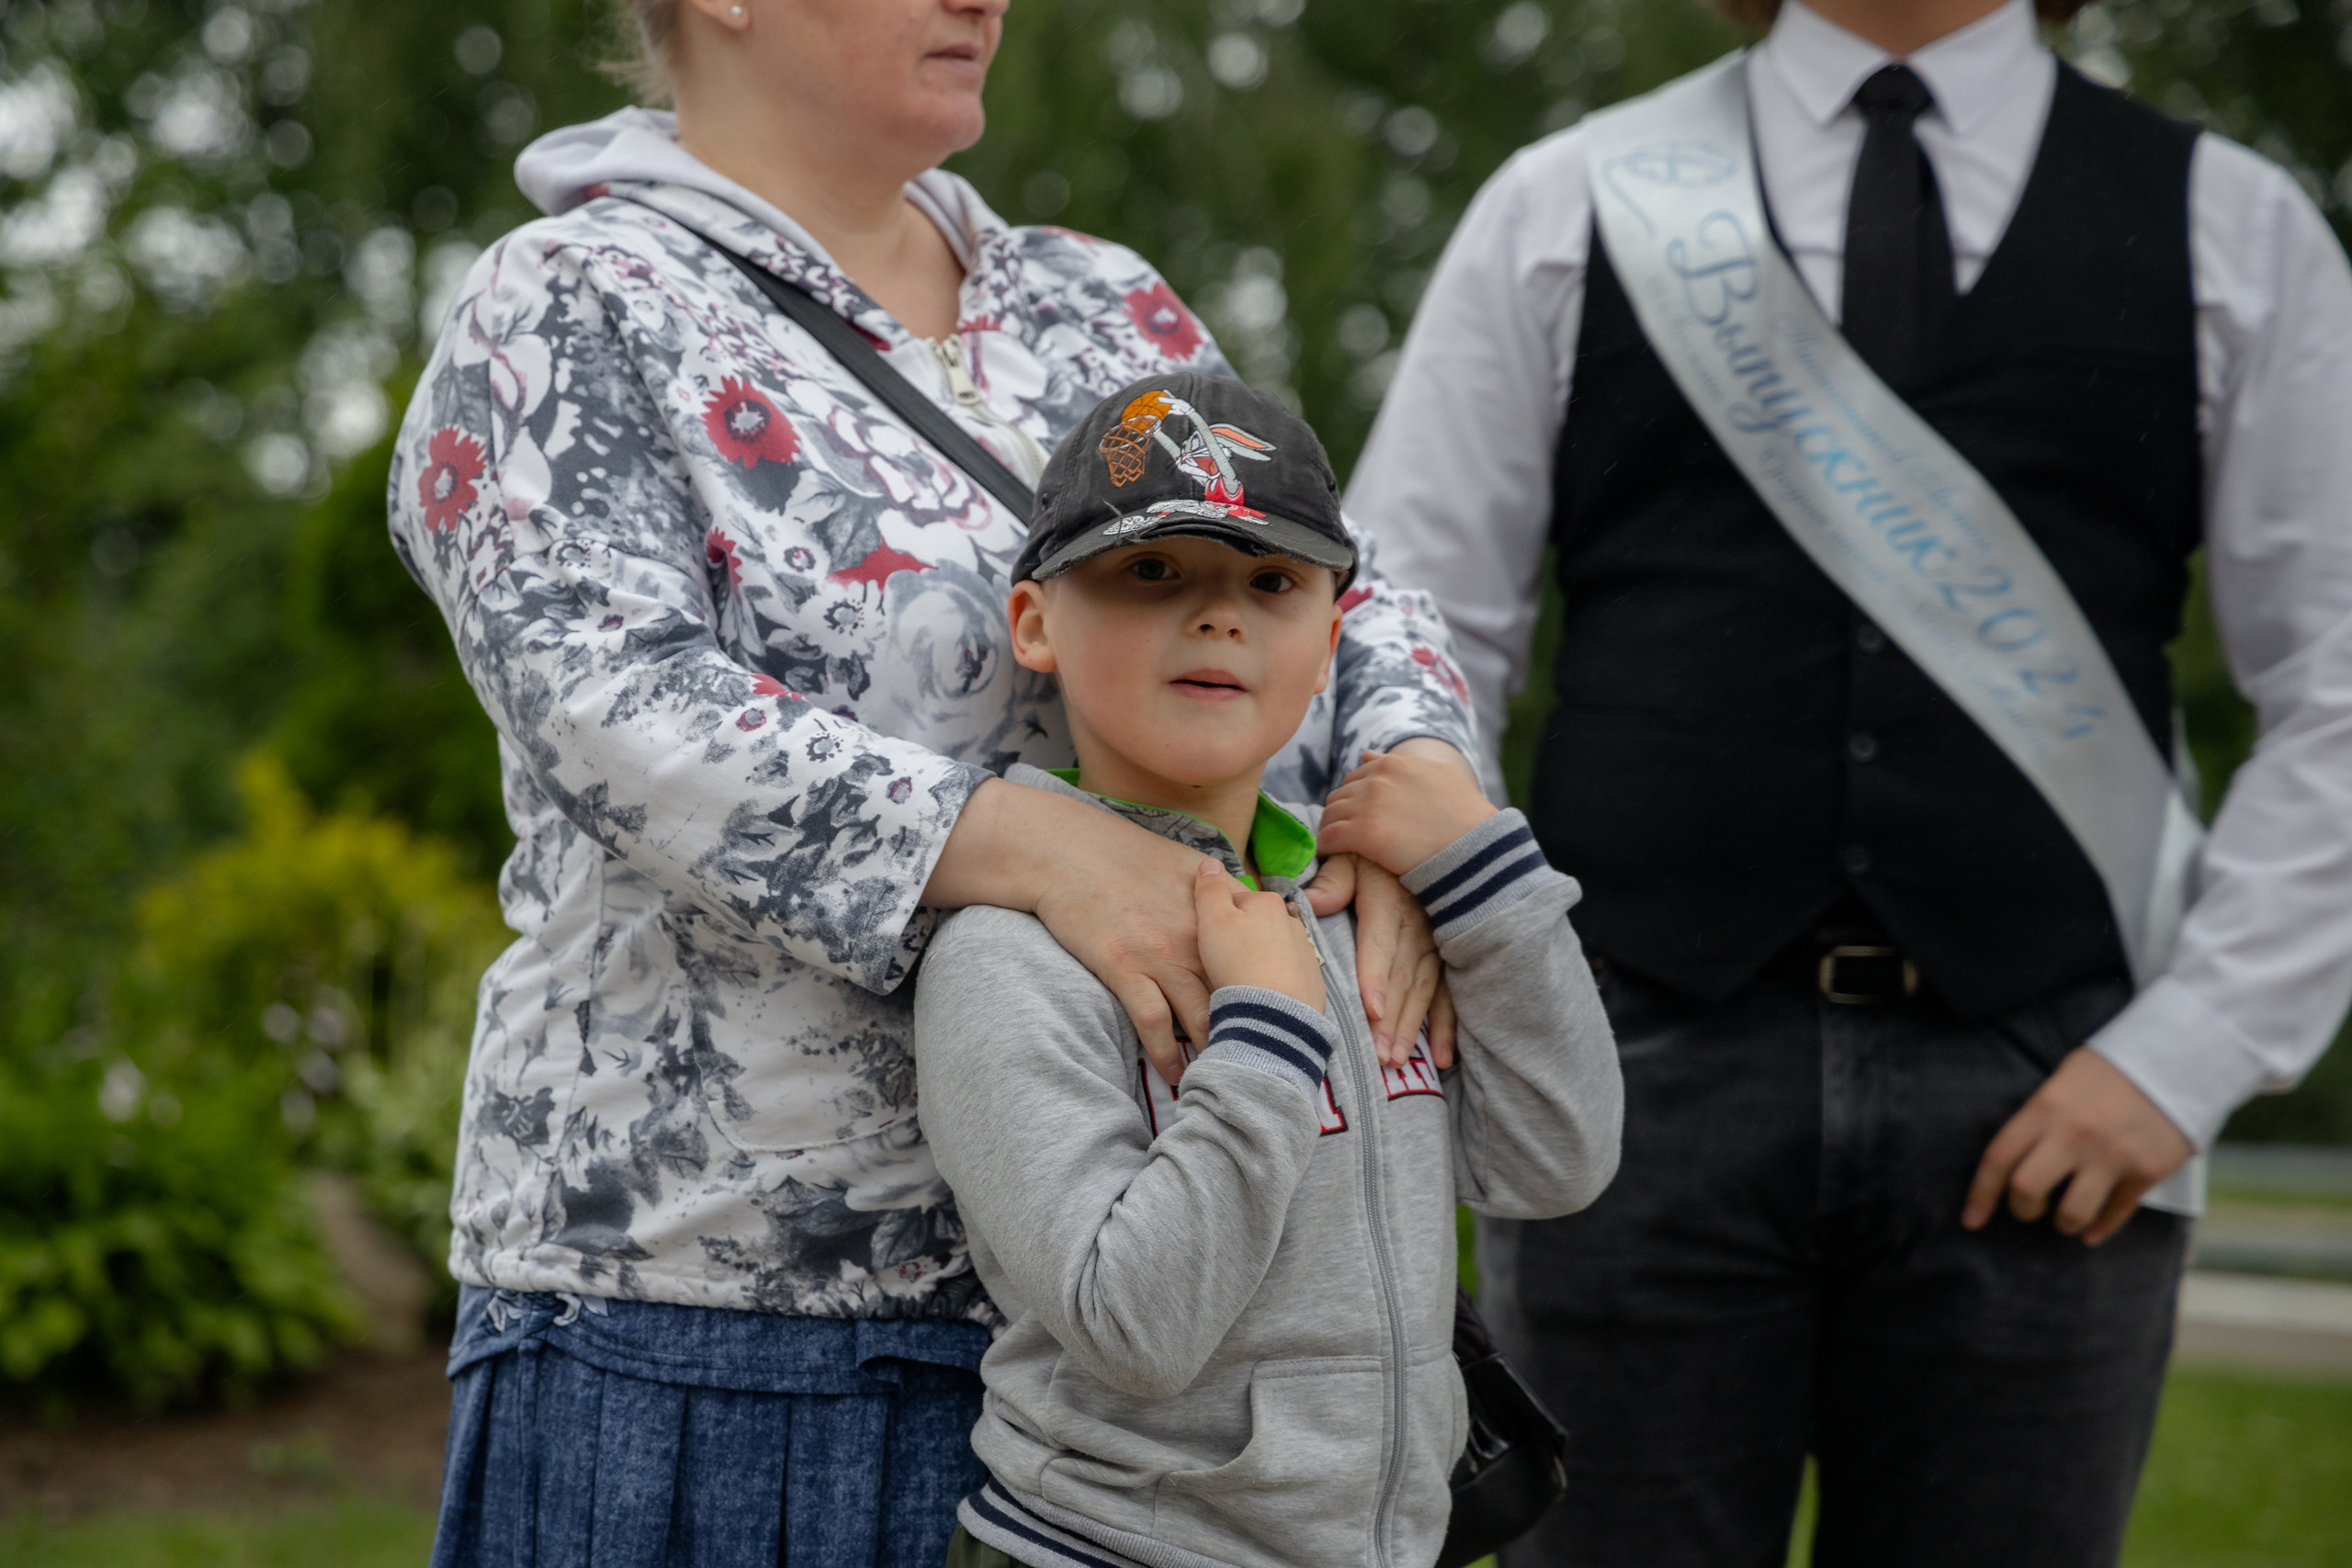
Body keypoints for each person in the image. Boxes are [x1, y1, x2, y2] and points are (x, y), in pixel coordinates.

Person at [390, 0, 1483, 1562]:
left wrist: (1406, 802)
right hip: (734, 1326)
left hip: (1159, 1344)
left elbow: (1351, 600)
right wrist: (1026, 842)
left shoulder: (1106, 307)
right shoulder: (566, 305)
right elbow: (611, 699)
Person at [1347, 0, 2352, 1562]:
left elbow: (2340, 678)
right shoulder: (1569, 202)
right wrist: (1472, 956)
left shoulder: (2242, 224)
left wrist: (2197, 1051)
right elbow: (1413, 631)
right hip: (1620, 1084)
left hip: (2060, 1091)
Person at [910, 373, 1622, 1568]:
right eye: (1151, 571)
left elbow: (1557, 1160)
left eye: (1272, 582)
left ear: (1328, 639)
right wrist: (1270, 1032)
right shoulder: (1010, 953)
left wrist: (1484, 879)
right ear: (1035, 621)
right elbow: (1132, 1329)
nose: (1218, 616)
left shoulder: (1365, 911)